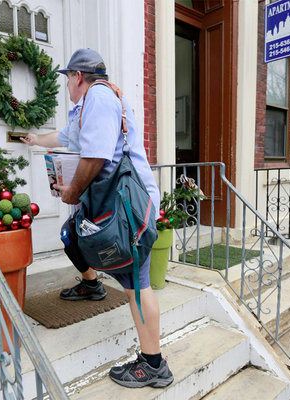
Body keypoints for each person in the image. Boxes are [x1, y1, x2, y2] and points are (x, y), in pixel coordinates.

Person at [21, 48, 173, 389]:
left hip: (130, 206)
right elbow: (64, 138)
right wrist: (34, 139)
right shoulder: (87, 105)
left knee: (138, 284)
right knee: (72, 237)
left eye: (67, 80)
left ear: (77, 77)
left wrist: (72, 191)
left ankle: (154, 364)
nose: (67, 88)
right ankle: (92, 285)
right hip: (114, 202)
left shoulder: (100, 98)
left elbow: (97, 155)